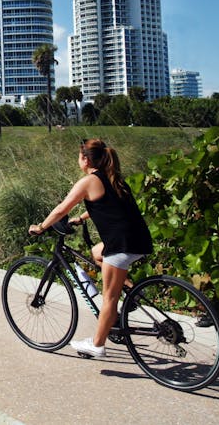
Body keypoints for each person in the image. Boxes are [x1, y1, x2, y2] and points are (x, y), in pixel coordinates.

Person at [28, 138, 153, 359]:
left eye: (79, 156)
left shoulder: (88, 181)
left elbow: (60, 209)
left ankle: (97, 345)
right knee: (96, 253)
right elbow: (109, 205)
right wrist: (82, 217)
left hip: (122, 244)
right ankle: (131, 291)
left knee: (109, 298)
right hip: (138, 238)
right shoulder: (113, 178)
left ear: (85, 159)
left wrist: (41, 227)